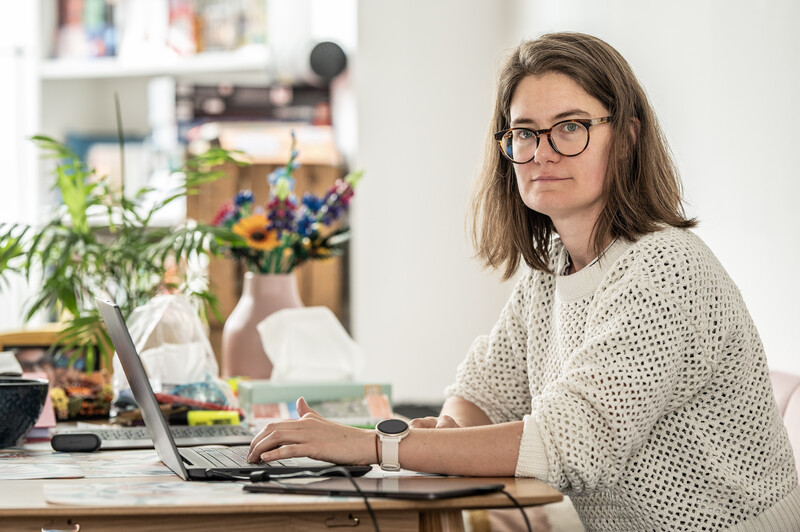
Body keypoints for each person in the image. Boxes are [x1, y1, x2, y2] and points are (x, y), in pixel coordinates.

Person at [248, 32, 800, 530]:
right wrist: (445, 430)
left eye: (570, 128)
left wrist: (374, 445)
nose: (542, 153)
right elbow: (485, 391)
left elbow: (563, 446)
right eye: (525, 133)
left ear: (627, 137)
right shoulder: (554, 265)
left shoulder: (666, 267)